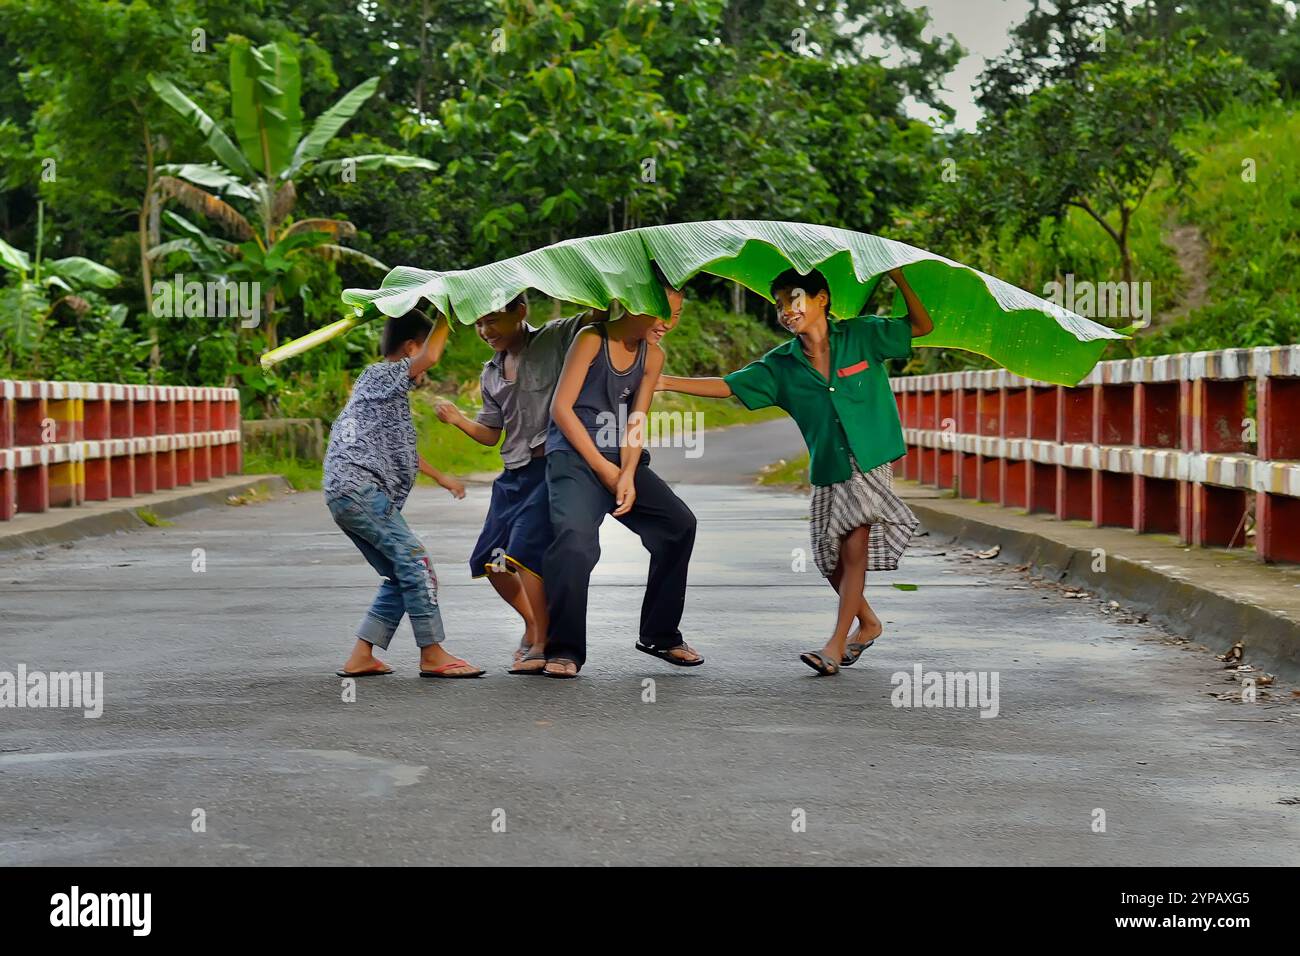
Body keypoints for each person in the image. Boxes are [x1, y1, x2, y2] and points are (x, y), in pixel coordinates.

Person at [657, 267, 932, 675]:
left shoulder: (862, 335)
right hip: (828, 464)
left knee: (854, 542)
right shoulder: (781, 366)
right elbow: (728, 385)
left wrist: (899, 278)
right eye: (780, 304)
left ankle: (834, 646)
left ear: (822, 299)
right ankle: (868, 623)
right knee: (828, 558)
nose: (787, 310)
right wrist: (663, 381)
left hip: (871, 457)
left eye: (796, 298)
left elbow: (920, 326)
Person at [540, 273, 702, 678]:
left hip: (621, 459)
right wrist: (606, 470)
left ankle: (660, 635)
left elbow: (636, 420)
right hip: (575, 458)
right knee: (576, 544)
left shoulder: (654, 356)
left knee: (678, 524)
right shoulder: (591, 339)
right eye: (662, 311)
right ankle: (564, 649)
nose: (668, 322)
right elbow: (561, 409)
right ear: (634, 301)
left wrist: (627, 472)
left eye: (677, 314)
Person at [434, 295, 600, 674]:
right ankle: (533, 626)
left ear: (520, 312)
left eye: (493, 320)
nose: (485, 331)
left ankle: (542, 644)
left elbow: (598, 314)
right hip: (513, 473)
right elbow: (492, 434)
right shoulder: (490, 372)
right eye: (479, 323)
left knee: (523, 552)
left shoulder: (556, 338)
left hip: (552, 466)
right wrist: (458, 419)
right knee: (490, 561)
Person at [322, 307, 484, 680]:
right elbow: (432, 354)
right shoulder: (384, 374)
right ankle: (432, 653)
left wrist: (442, 477)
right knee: (417, 565)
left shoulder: (380, 389)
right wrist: (449, 308)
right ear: (411, 347)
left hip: (346, 492)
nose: (426, 370)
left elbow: (401, 451)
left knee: (401, 572)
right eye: (421, 356)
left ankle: (361, 655)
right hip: (359, 489)